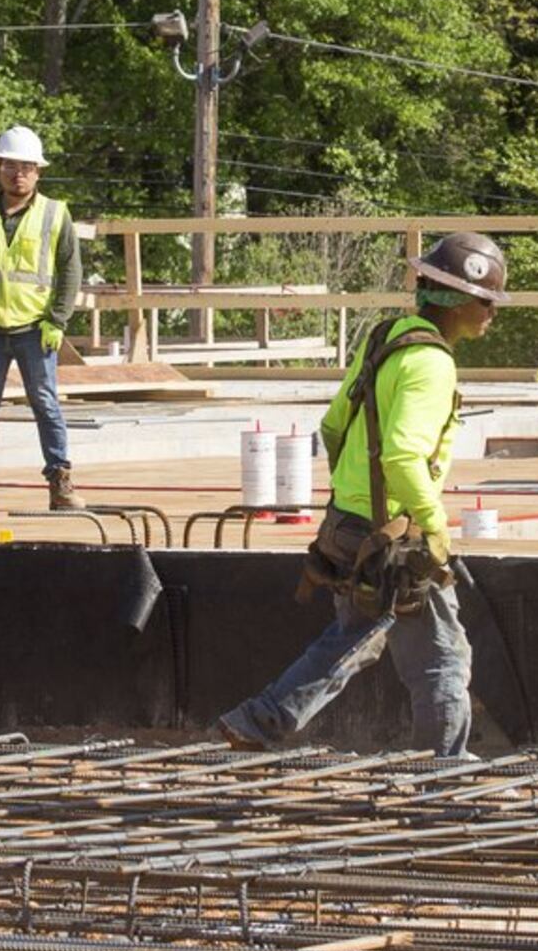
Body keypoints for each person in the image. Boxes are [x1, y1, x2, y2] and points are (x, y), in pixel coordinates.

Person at [217, 233, 510, 755]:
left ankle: (259, 720)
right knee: (443, 655)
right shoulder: (433, 363)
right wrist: (432, 524)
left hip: (349, 528)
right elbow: (401, 456)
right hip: (395, 537)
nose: (492, 313)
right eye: (486, 300)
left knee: (352, 642)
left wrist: (354, 495)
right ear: (454, 299)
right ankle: (443, 768)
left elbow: (333, 426)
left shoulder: (387, 337)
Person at [0, 125, 86, 512]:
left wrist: (58, 319)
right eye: (10, 165)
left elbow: (70, 269)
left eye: (26, 166)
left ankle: (60, 482)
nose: (17, 173)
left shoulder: (55, 214)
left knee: (46, 404)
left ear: (38, 172)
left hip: (34, 329)